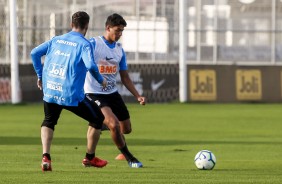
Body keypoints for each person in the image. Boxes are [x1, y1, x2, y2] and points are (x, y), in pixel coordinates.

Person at [30, 11, 108, 171]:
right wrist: (101, 80)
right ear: (87, 26)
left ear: (71, 25)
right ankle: (90, 158)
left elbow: (34, 53)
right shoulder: (84, 44)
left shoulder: (56, 40)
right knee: (98, 118)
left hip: (51, 89)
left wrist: (40, 75)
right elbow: (91, 66)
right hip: (70, 94)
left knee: (49, 120)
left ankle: (46, 157)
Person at [84, 13, 146, 168]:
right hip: (93, 93)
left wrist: (138, 95)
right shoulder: (93, 44)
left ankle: (98, 124)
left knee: (126, 129)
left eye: (122, 31)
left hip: (112, 93)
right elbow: (80, 59)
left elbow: (124, 77)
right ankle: (130, 158)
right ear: (108, 28)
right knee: (114, 124)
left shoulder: (119, 50)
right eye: (117, 30)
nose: (119, 34)